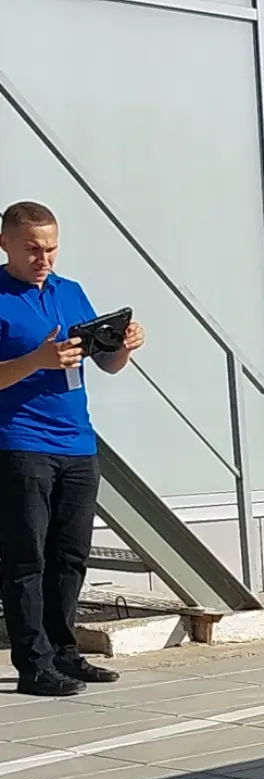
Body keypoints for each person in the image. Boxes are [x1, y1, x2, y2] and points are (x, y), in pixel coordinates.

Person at [0, 201, 144, 696]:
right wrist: (36, 359)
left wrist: (123, 344)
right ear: (6, 245)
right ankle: (33, 664)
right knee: (26, 558)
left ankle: (65, 652)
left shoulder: (70, 292)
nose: (44, 258)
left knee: (70, 555)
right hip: (19, 442)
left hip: (77, 442)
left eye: (51, 248)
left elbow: (107, 365)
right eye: (32, 249)